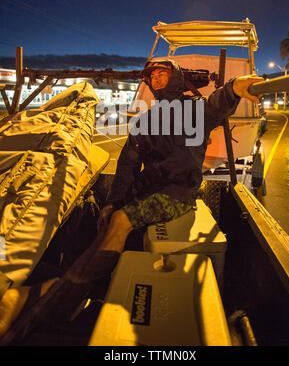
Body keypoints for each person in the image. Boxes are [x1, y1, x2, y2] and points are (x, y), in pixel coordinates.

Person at [0, 58, 264, 341]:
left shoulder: (195, 110)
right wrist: (113, 201)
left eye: (163, 74)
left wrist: (237, 86)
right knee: (105, 221)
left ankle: (47, 305)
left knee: (120, 222)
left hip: (178, 194)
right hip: (145, 191)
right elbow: (127, 163)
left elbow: (219, 101)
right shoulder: (147, 118)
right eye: (153, 77)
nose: (157, 80)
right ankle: (70, 290)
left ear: (175, 78)